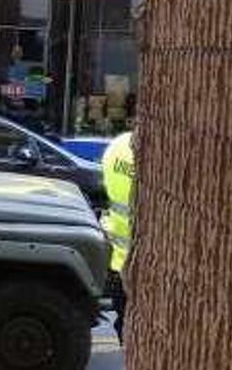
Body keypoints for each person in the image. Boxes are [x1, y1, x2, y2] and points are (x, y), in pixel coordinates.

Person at [100, 130, 135, 343]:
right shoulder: (152, 155)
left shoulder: (117, 146)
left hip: (116, 257)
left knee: (124, 321)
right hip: (139, 261)